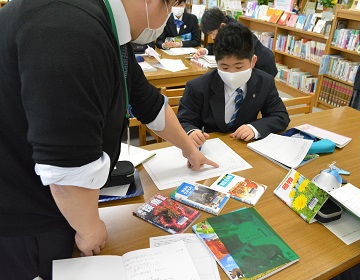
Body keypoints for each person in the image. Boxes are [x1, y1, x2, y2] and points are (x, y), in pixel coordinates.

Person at [0, 0, 218, 279]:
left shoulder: (108, 28)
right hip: (27, 212)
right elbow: (66, 166)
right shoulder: (71, 29)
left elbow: (147, 102)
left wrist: (190, 150)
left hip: (59, 197)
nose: (166, 19)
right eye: (170, 6)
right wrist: (89, 228)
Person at [178, 23, 290, 148]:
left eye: (239, 67)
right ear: (216, 62)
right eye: (224, 67)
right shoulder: (198, 86)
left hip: (244, 148)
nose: (231, 73)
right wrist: (191, 132)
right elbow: (184, 121)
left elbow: (280, 116)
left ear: (253, 61)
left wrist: (254, 128)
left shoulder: (264, 81)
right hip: (208, 148)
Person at [192, 7, 278, 77]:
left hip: (262, 63)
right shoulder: (225, 23)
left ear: (222, 25)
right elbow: (221, 45)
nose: (213, 37)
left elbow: (227, 48)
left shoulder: (235, 31)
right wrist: (206, 50)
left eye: (213, 33)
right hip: (250, 62)